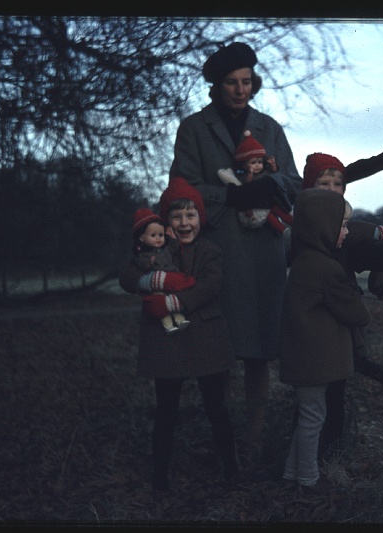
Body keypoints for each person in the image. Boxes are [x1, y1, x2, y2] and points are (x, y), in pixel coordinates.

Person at [170, 41, 303, 467]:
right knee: (219, 350)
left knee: (260, 350)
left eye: (247, 81)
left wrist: (270, 187)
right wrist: (229, 195)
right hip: (219, 252)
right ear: (215, 85)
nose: (241, 89)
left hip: (265, 253)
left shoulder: (270, 127)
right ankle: (223, 445)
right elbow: (182, 186)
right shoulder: (194, 129)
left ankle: (254, 441)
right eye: (231, 82)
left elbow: (294, 181)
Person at [119, 177, 239, 491]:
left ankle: (232, 469)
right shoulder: (151, 248)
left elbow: (211, 285)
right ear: (164, 221)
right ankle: (160, 476)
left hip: (205, 335)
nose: (184, 223)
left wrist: (175, 301)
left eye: (190, 215)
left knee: (216, 407)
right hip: (167, 339)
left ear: (200, 217)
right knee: (166, 410)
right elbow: (127, 276)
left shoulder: (209, 250)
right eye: (176, 216)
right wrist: (150, 281)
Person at [299, 153, 383, 461]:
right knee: (317, 398)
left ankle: (321, 458)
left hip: (334, 327)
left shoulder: (341, 226)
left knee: (333, 393)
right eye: (324, 183)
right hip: (321, 322)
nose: (332, 190)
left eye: (338, 184)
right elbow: (355, 231)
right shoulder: (309, 227)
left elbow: (357, 230)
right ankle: (315, 463)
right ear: (309, 188)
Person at [278, 188, 372, 494]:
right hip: (315, 361)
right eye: (341, 225)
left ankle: (291, 473)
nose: (346, 232)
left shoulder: (303, 261)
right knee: (313, 417)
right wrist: (356, 297)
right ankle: (308, 479)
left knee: (308, 414)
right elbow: (358, 313)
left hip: (304, 358)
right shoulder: (326, 268)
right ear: (323, 228)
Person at [217, 132, 293, 234]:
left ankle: (294, 223)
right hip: (258, 206)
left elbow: (274, 174)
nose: (257, 165)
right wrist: (250, 173)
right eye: (253, 163)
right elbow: (247, 184)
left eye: (259, 162)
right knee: (269, 216)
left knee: (280, 210)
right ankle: (283, 230)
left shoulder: (264, 172)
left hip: (270, 200)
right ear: (244, 165)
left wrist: (273, 165)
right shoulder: (244, 175)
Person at [131, 207, 191, 334]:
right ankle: (168, 325)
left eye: (161, 235)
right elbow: (140, 264)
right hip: (157, 287)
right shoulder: (143, 255)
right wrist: (149, 263)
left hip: (172, 278)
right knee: (161, 306)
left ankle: (180, 320)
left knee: (174, 302)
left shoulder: (165, 249)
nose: (158, 238)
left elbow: (175, 248)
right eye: (153, 235)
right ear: (142, 238)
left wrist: (172, 238)